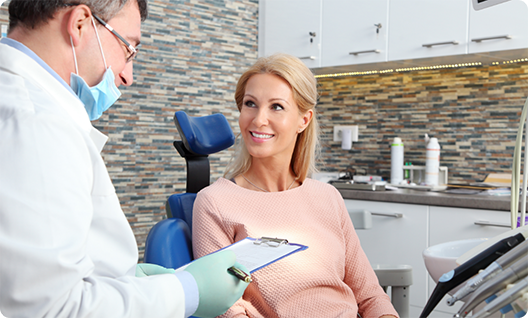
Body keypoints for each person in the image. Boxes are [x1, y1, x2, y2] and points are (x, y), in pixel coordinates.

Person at [0, 1, 248, 317]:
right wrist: (185, 292)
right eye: (128, 48)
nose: (127, 76)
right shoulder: (35, 125)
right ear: (79, 24)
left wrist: (129, 282)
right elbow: (50, 308)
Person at [192, 53, 400, 318]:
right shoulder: (215, 202)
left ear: (304, 120)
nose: (258, 120)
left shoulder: (327, 197)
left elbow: (370, 294)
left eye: (276, 106)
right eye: (250, 104)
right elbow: (228, 310)